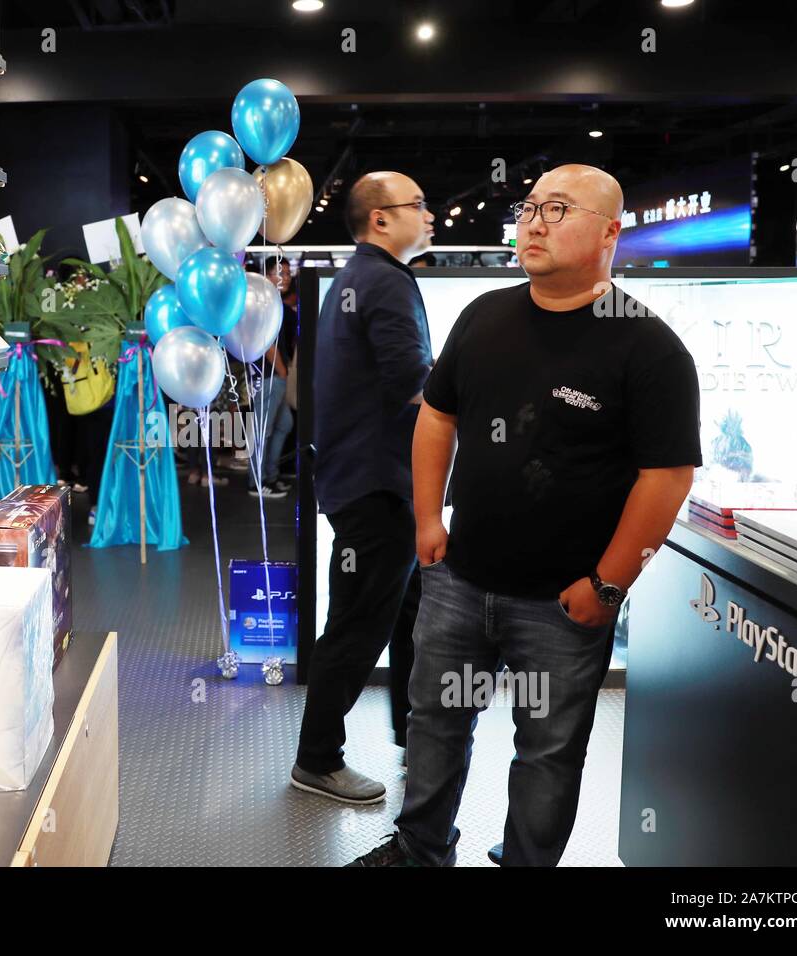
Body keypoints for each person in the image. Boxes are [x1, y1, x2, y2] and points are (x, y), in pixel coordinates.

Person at [350, 164, 701, 867]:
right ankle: (419, 851)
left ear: (610, 233)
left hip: (564, 603)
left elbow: (666, 478)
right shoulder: (487, 315)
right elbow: (436, 418)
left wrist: (607, 584)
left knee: (548, 754)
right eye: (529, 206)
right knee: (434, 728)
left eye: (558, 209)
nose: (534, 222)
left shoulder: (648, 346)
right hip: (459, 580)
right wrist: (428, 520)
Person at [291, 171, 434, 804]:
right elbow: (416, 382)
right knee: (357, 626)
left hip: (368, 480)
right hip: (378, 486)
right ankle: (318, 758)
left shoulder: (354, 280)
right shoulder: (383, 283)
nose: (430, 216)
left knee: (404, 613)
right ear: (380, 219)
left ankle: (411, 732)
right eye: (418, 206)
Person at [247, 259, 297, 499]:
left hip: (274, 375)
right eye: (280, 272)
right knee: (263, 431)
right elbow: (268, 343)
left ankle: (270, 475)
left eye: (288, 273)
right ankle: (256, 482)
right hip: (269, 375)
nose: (285, 277)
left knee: (283, 424)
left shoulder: (274, 303)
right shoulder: (265, 304)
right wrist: (282, 371)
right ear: (266, 275)